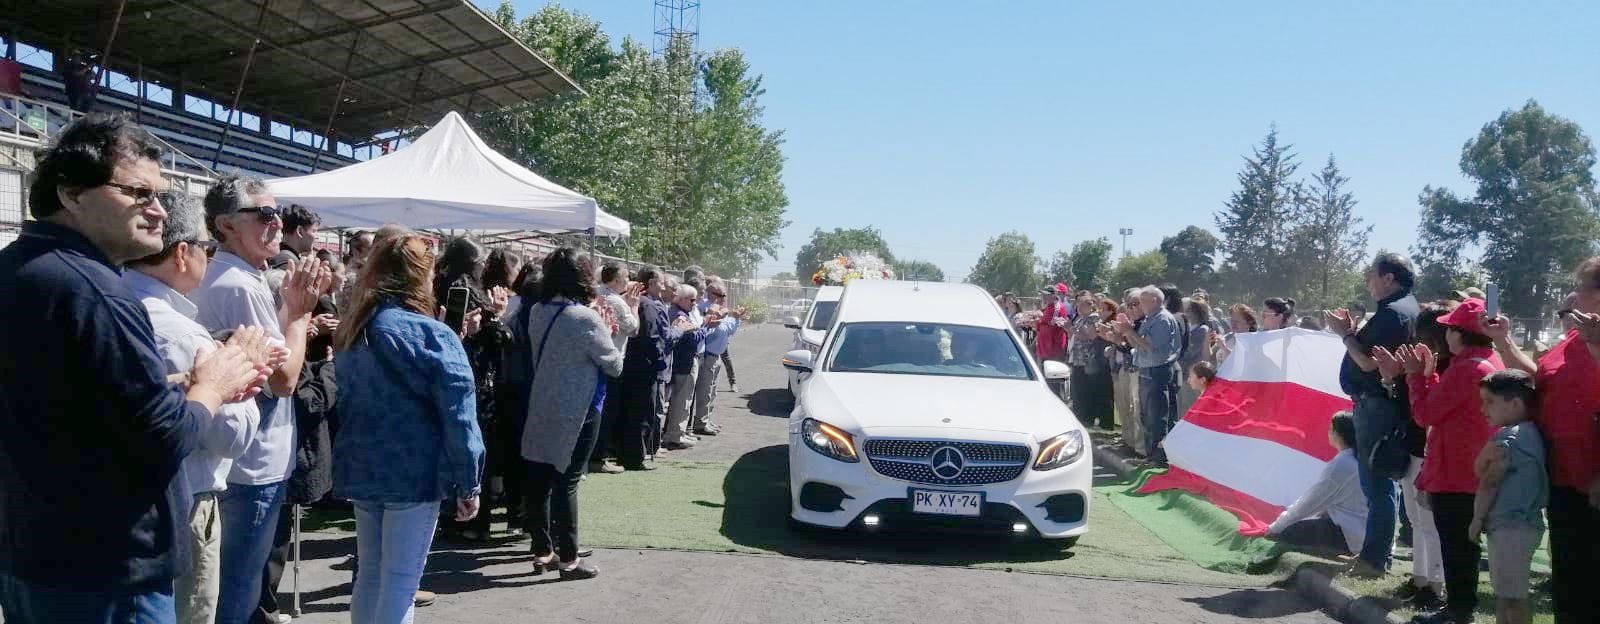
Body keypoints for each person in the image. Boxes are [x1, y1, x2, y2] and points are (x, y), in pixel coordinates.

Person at [0, 114, 267, 622]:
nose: (160, 211)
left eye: (158, 196)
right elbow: (166, 437)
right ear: (72, 193)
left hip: (36, 551)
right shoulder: (95, 290)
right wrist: (213, 386)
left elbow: (71, 399)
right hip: (108, 570)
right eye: (139, 194)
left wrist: (177, 384)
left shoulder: (20, 267)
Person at [126, 192, 280, 624]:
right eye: (207, 248)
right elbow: (230, 437)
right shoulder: (181, 333)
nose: (209, 260)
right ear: (182, 253)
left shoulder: (118, 302)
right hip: (186, 501)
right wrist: (242, 372)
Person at [193, 173, 331, 624]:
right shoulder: (239, 284)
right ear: (226, 224)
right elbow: (285, 380)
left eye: (279, 214)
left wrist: (291, 310)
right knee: (236, 591)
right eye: (266, 214)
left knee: (231, 587)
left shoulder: (234, 276)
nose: (277, 223)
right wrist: (299, 313)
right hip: (252, 464)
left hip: (242, 457)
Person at [333, 232, 484, 624]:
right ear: (422, 277)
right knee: (399, 583)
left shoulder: (354, 329)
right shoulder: (432, 334)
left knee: (370, 575)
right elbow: (460, 417)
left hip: (364, 465)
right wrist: (469, 483)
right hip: (413, 472)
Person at [1484, 257, 1600, 624]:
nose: (1574, 297)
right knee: (1570, 582)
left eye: (1581, 289)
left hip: (1594, 482)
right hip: (1563, 480)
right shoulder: (1574, 338)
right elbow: (1540, 378)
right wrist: (1503, 341)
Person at [1375, 298, 1502, 624]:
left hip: (1456, 471)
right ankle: (1458, 607)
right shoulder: (1488, 361)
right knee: (1463, 545)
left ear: (1459, 334)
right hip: (1472, 468)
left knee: (1457, 545)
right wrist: (1428, 377)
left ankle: (1458, 610)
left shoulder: (1466, 369)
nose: (1445, 335)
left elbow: (1426, 414)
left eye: (1449, 329)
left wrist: (1415, 376)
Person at [520, 248, 626, 580]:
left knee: (539, 479)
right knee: (567, 481)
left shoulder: (537, 310)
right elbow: (614, 365)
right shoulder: (585, 318)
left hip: (541, 403)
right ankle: (569, 558)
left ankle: (542, 551)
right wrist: (609, 329)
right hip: (579, 409)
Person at [1325, 252, 1420, 576]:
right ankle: (1374, 554)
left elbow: (1368, 363)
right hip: (1383, 403)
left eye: (1372, 275)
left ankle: (1374, 559)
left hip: (1377, 405)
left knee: (1377, 485)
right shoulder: (1405, 308)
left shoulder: (1393, 313)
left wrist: (1345, 334)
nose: (1367, 281)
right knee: (1382, 485)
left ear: (1389, 278)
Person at [1374, 301, 1455, 612]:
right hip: (1414, 448)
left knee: (1431, 522)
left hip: (1432, 451)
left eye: (1424, 336)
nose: (1418, 343)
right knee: (1416, 519)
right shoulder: (1423, 365)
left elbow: (1427, 412)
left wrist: (1409, 376)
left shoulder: (1447, 368)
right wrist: (1393, 378)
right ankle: (1420, 578)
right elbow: (1408, 408)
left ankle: (1436, 584)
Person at [1468, 370, 1546, 624]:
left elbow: (1489, 480)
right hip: (1524, 524)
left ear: (1515, 404)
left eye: (1490, 401)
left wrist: (1477, 518)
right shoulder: (1532, 433)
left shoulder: (1508, 439)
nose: (1483, 409)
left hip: (1509, 526)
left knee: (1512, 599)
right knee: (1506, 596)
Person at [1268, 412, 1369, 555]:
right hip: (1365, 534)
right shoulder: (1361, 459)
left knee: (1288, 532)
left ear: (1337, 434)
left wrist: (1276, 527)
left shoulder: (1342, 464)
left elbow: (1309, 503)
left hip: (1350, 537)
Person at [613, 266, 680, 471]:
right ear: (650, 283)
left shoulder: (638, 303)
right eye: (661, 283)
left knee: (632, 411)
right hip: (644, 367)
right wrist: (659, 361)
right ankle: (636, 457)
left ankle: (627, 454)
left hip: (632, 365)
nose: (663, 287)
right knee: (642, 413)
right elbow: (653, 339)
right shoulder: (648, 305)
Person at [1109, 286, 1183, 466]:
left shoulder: (1162, 319)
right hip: (1147, 370)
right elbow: (1138, 345)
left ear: (1154, 301)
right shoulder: (1152, 318)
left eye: (1142, 301)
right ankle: (1151, 456)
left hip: (1158, 371)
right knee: (1147, 416)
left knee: (1157, 416)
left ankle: (1159, 459)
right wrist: (1125, 331)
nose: (1139, 306)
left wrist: (1130, 331)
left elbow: (1150, 346)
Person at [590, 262, 643, 474]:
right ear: (615, 279)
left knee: (599, 408)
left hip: (595, 360)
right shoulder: (616, 302)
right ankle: (599, 457)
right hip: (612, 360)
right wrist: (634, 306)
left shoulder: (598, 294)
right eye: (626, 276)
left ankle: (596, 454)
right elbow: (634, 329)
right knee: (608, 410)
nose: (628, 280)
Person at [663, 284, 713, 450]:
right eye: (692, 300)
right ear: (682, 299)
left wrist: (699, 328)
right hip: (684, 362)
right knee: (682, 399)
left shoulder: (677, 312)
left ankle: (679, 432)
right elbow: (691, 338)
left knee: (682, 399)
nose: (695, 303)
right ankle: (675, 435)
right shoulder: (679, 314)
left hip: (681, 361)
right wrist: (705, 327)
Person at [694, 282, 746, 438]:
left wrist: (735, 318)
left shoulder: (720, 309)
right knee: (705, 391)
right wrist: (720, 317)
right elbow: (712, 331)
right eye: (721, 295)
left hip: (715, 355)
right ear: (710, 294)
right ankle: (700, 422)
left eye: (725, 295)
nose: (724, 298)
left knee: (712, 391)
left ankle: (706, 420)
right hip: (707, 354)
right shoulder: (704, 307)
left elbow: (728, 330)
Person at [1106, 290, 1145, 455]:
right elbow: (1127, 347)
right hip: (1127, 367)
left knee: (1137, 409)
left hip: (1139, 370)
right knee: (1126, 408)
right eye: (1128, 305)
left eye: (1134, 305)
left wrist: (1126, 333)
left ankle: (1139, 447)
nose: (1130, 308)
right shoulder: (1135, 323)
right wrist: (1115, 339)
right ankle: (1129, 440)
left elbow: (1139, 347)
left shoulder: (1145, 322)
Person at [1068, 291, 1112, 429]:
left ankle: (1089, 418)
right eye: (1078, 304)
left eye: (1084, 304)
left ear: (1091, 305)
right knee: (1079, 391)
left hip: (1090, 360)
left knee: (1088, 391)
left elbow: (1091, 337)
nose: (1080, 307)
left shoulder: (1094, 319)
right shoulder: (1080, 319)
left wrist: (1075, 331)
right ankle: (1081, 417)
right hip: (1078, 359)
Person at [1177, 298, 1213, 418]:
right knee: (1182, 408)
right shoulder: (1188, 328)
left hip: (1193, 374)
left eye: (1188, 310)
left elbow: (1191, 352)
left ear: (1195, 312)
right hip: (1183, 374)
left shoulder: (1201, 329)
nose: (1185, 313)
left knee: (1191, 406)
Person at [1035, 284, 1071, 400]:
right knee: (1046, 381)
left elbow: (1049, 327)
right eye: (1043, 295)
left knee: (1054, 383)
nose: (1043, 297)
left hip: (1053, 350)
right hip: (1046, 349)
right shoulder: (1049, 307)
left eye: (1046, 295)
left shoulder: (1056, 308)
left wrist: (1038, 323)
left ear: (1054, 295)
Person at [267, 204, 320, 270]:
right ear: (300, 231)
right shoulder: (287, 262)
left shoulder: (280, 255)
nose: (317, 237)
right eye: (314, 231)